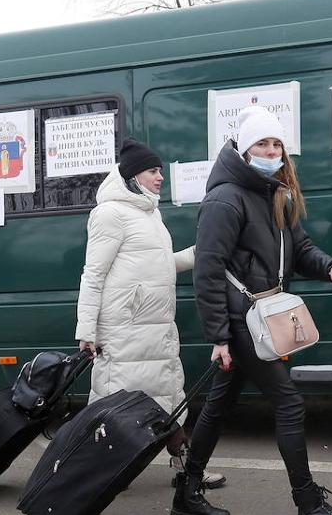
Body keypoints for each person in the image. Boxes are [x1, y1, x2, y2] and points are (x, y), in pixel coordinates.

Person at [172, 106, 332, 515]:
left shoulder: (275, 192)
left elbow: (301, 249)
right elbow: (208, 269)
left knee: (219, 406)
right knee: (290, 403)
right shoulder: (225, 199)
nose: (271, 150)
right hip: (243, 323)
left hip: (262, 319)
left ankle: (186, 493)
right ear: (244, 148)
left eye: (276, 144)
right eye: (262, 143)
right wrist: (218, 336)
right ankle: (309, 508)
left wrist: (331, 266)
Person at [75, 139, 225, 489]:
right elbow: (93, 274)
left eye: (160, 171)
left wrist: (197, 254)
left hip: (155, 327)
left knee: (168, 396)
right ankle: (98, 472)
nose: (160, 177)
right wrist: (87, 330)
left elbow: (157, 264)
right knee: (118, 405)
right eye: (153, 171)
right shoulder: (109, 213)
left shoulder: (149, 212)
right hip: (124, 329)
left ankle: (186, 467)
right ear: (132, 176)